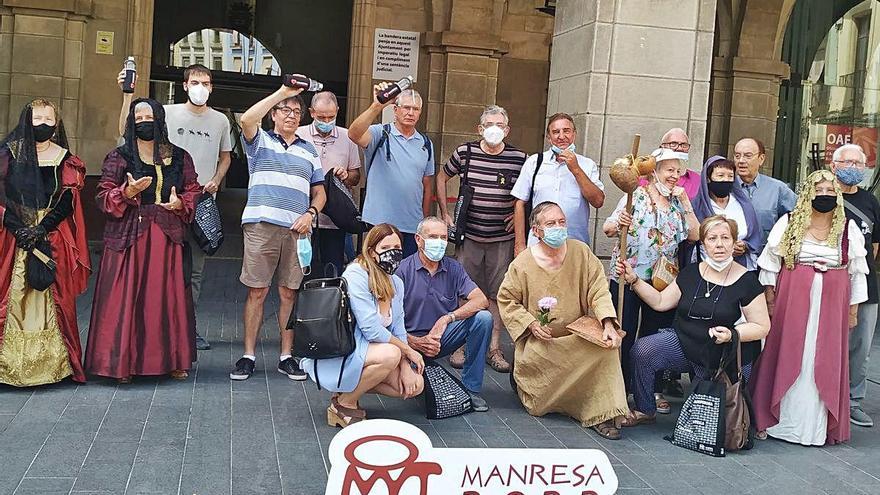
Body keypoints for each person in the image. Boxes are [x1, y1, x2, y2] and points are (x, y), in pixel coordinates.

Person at [85, 98, 201, 383]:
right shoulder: (119, 156)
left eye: (149, 117)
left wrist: (180, 203)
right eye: (138, 118)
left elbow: (193, 189)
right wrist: (126, 192)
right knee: (126, 297)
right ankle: (122, 364)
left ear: (160, 119)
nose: (144, 122)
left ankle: (171, 360)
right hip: (129, 237)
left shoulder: (179, 156)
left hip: (166, 237)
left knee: (165, 298)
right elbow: (102, 195)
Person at [750, 170, 869, 446]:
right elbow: (770, 265)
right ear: (807, 194)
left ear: (836, 196)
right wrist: (770, 299)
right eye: (819, 191)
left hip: (831, 306)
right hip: (793, 300)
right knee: (789, 352)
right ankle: (778, 421)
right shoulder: (789, 223)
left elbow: (857, 273)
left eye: (829, 191)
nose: (824, 196)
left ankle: (814, 426)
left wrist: (853, 311)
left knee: (824, 358)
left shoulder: (847, 228)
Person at [118, 63, 232, 351]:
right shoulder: (166, 112)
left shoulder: (220, 121)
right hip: (161, 204)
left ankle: (188, 330)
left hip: (198, 205)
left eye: (206, 82)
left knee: (193, 271)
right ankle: (150, 330)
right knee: (157, 267)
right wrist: (127, 95)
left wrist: (217, 179)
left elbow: (226, 156)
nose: (200, 87)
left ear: (212, 86)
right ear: (184, 85)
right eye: (195, 81)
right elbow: (126, 131)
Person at [615, 216, 771, 425]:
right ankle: (645, 409)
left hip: (722, 355)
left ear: (734, 243)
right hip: (685, 343)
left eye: (725, 238)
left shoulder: (747, 281)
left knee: (704, 422)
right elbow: (661, 302)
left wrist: (731, 334)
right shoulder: (691, 273)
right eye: (712, 238)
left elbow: (762, 326)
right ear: (704, 243)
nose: (719, 244)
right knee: (643, 350)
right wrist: (634, 280)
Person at [498, 201, 628, 439]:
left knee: (607, 349)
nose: (558, 227)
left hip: (577, 337)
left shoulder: (581, 252)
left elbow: (598, 290)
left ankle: (602, 412)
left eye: (561, 222)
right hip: (542, 343)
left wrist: (608, 324)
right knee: (538, 403)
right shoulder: (523, 263)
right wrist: (531, 324)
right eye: (551, 224)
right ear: (536, 231)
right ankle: (553, 397)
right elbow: (507, 300)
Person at [229, 83, 326, 381]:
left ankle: (287, 356)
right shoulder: (259, 142)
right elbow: (246, 119)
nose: (292, 115)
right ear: (273, 114)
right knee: (257, 291)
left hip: (297, 231)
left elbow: (320, 192)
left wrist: (311, 214)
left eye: (297, 111)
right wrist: (282, 93)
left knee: (289, 293)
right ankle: (248, 355)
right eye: (286, 110)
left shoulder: (309, 149)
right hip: (261, 225)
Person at [0, 99, 90, 386]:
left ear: (57, 123)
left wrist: (40, 229)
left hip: (50, 234)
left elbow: (67, 198)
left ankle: (55, 366)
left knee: (54, 296)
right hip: (12, 234)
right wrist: (18, 228)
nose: (42, 123)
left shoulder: (65, 158)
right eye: (37, 117)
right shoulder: (8, 154)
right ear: (27, 119)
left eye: (48, 118)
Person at [300, 223, 425, 427]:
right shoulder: (356, 273)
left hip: (373, 352)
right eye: (385, 248)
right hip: (347, 348)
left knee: (414, 385)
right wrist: (408, 352)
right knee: (391, 354)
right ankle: (344, 404)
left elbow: (399, 328)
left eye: (397, 249)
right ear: (371, 251)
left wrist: (405, 366)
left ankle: (345, 391)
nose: (392, 254)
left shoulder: (396, 283)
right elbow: (370, 328)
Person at [602, 147, 699, 409]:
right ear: (654, 172)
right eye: (669, 170)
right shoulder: (636, 196)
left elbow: (695, 235)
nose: (674, 176)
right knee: (625, 331)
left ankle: (650, 390)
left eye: (679, 171)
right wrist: (619, 222)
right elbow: (608, 228)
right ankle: (618, 388)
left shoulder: (679, 202)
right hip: (627, 276)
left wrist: (687, 204)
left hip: (661, 283)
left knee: (654, 336)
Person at [436, 105, 526, 373]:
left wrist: (522, 215)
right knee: (466, 292)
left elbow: (529, 192)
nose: (494, 129)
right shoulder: (465, 152)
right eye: (489, 124)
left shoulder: (519, 158)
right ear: (480, 128)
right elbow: (442, 177)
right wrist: (444, 213)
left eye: (500, 124)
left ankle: (493, 348)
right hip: (470, 236)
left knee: (498, 294)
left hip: (502, 239)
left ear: (507, 129)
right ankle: (461, 345)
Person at [396, 217, 493, 411]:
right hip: (407, 343)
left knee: (483, 319)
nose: (439, 242)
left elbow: (481, 300)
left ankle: (470, 389)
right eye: (433, 237)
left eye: (443, 237)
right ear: (418, 239)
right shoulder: (401, 271)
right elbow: (386, 322)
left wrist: (448, 318)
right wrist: (414, 342)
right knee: (415, 389)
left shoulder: (454, 268)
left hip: (442, 337)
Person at [828, 144, 880, 428]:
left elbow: (874, 246)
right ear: (833, 165)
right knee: (828, 340)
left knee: (860, 344)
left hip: (864, 284)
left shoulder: (870, 201)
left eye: (858, 163)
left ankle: (853, 400)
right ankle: (828, 396)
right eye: (847, 162)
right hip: (828, 281)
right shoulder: (823, 196)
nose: (853, 167)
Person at [348, 85, 434, 257]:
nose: (410, 112)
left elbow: (427, 184)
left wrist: (423, 221)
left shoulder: (426, 143)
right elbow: (353, 134)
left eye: (415, 109)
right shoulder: (381, 133)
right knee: (377, 273)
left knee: (406, 275)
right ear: (395, 110)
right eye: (406, 107)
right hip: (380, 223)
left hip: (411, 224)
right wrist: (377, 106)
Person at [511, 113, 604, 254]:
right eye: (555, 132)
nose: (561, 136)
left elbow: (598, 201)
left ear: (574, 134)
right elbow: (519, 203)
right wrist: (519, 245)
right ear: (549, 137)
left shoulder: (587, 165)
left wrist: (576, 169)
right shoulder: (535, 162)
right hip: (537, 244)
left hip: (575, 245)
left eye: (566, 131)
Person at [296, 91, 362, 275]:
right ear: (311, 112)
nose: (326, 121)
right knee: (298, 271)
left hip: (334, 220)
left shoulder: (348, 137)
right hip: (302, 218)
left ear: (338, 111)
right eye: (321, 117)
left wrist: (345, 175)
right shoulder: (298, 135)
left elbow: (355, 177)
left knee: (332, 271)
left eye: (331, 117)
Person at [690, 156, 762, 269]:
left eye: (730, 176)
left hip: (743, 268)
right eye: (720, 176)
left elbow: (754, 236)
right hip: (707, 268)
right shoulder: (696, 207)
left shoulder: (743, 205)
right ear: (708, 178)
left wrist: (744, 246)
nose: (726, 180)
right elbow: (691, 241)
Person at [733, 137, 797, 254]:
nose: (741, 160)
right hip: (731, 260)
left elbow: (799, 217)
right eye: (737, 156)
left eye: (748, 156)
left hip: (767, 258)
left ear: (761, 159)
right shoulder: (727, 188)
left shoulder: (777, 189)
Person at [638, 128, 701, 200]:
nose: (680, 148)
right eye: (673, 144)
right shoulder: (643, 178)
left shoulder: (697, 180)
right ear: (662, 146)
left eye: (684, 145)